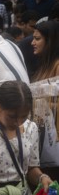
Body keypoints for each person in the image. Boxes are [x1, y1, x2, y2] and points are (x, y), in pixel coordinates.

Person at [30, 20, 59, 181]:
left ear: (51, 41)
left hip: (54, 143)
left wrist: (41, 104)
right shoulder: (44, 65)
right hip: (43, 139)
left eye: (38, 38)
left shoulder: (57, 66)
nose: (33, 42)